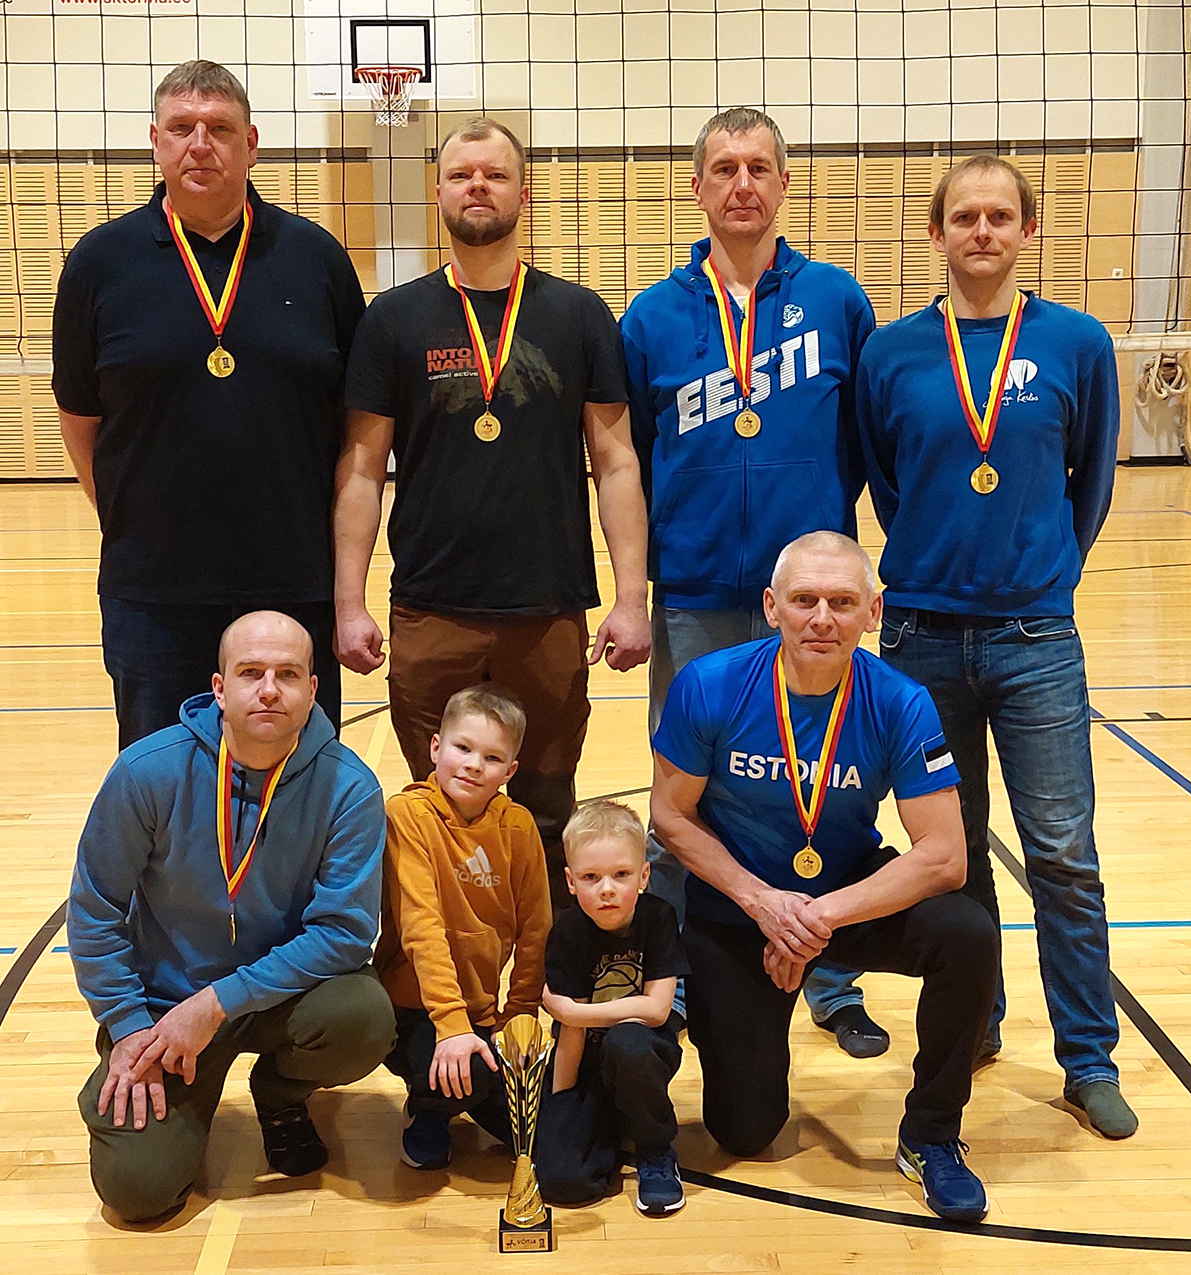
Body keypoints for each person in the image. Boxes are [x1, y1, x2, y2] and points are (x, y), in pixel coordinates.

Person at [856, 155, 1134, 1138]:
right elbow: (886, 483)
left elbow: (1089, 482)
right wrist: (938, 566)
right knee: (954, 852)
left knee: (1063, 856)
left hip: (1035, 637)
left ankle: (1088, 1058)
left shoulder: (1077, 342)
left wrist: (1041, 574)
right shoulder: (891, 353)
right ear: (935, 234)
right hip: (921, 636)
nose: (982, 231)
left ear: (1027, 230)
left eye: (1000, 216)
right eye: (964, 217)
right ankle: (977, 1018)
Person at [333, 117, 650, 908]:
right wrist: (348, 603)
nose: (478, 185)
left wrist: (632, 598)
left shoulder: (578, 314)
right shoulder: (393, 318)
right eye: (462, 174)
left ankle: (542, 967)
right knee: (434, 812)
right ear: (438, 191)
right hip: (430, 608)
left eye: (496, 174)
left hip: (547, 610)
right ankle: (437, 968)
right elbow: (363, 468)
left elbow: (616, 461)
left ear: (523, 193)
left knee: (546, 810)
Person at [620, 108, 882, 1055]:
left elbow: (865, 444)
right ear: (696, 186)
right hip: (695, 595)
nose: (742, 183)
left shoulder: (837, 300)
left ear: (783, 183)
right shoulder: (652, 316)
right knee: (684, 799)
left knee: (825, 788)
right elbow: (627, 460)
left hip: (809, 609)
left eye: (759, 167)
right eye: (724, 167)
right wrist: (637, 587)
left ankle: (833, 978)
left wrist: (823, 561)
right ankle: (679, 973)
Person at [651, 533, 1000, 1222]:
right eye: (804, 600)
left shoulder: (900, 701)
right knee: (744, 1131)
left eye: (842, 602)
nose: (821, 618)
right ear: (770, 606)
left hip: (841, 897)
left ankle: (931, 1134)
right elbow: (670, 815)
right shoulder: (710, 684)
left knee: (968, 933)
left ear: (873, 612)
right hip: (738, 907)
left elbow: (945, 855)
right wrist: (764, 904)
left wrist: (816, 918)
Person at [53, 61, 365, 748]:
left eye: (220, 129)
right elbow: (80, 416)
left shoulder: (316, 258)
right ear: (155, 142)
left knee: (297, 778)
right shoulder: (99, 262)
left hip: (293, 582)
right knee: (163, 779)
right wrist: (132, 518)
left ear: (250, 145)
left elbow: (356, 427)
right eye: (181, 128)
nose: (200, 144)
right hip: (152, 591)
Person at [67, 611, 395, 1225]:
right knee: (137, 1190)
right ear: (219, 688)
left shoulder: (350, 788)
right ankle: (157, 1093)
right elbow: (94, 910)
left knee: (364, 1018)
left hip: (281, 998)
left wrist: (217, 1004)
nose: (269, 689)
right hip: (165, 1010)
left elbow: (345, 933)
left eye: (287, 675)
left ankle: (280, 1093)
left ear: (313, 690)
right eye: (250, 673)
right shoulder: (147, 772)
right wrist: (128, 1024)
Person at [373, 684, 552, 1169]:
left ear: (510, 771)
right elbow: (421, 926)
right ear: (436, 748)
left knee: (542, 1134)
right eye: (463, 748)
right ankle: (427, 1106)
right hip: (416, 1008)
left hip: (482, 1012)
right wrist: (451, 1026)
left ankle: (458, 1085)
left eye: (492, 758)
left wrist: (520, 1017)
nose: (474, 765)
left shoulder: (518, 826)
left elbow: (536, 928)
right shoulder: (407, 815)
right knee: (470, 1073)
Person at [537, 800, 689, 1216]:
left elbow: (657, 1011)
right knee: (562, 1181)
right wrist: (562, 1105)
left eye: (621, 874)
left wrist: (572, 1013)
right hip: (587, 1062)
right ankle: (613, 1126)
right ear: (570, 881)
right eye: (591, 877)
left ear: (644, 875)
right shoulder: (567, 933)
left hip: (644, 1055)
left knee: (628, 1042)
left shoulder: (658, 918)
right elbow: (571, 1038)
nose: (607, 889)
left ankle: (655, 1150)